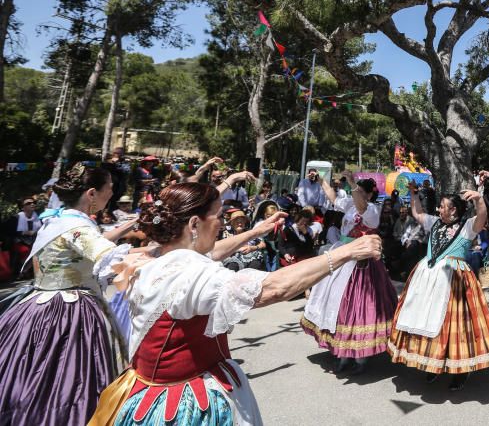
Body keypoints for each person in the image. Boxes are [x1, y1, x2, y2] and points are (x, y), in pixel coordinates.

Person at [88, 181, 381, 425]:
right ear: (193, 223)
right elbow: (274, 288)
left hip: (141, 389)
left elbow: (210, 252)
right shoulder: (192, 274)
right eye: (217, 215)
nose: (222, 222)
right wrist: (345, 253)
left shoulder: (153, 257)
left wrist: (256, 231)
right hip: (179, 403)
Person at [0, 163, 136, 425]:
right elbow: (107, 256)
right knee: (70, 375)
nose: (112, 194)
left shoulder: (57, 220)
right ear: (92, 193)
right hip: (71, 311)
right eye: (109, 188)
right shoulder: (79, 228)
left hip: (36, 304)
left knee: (29, 371)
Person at [387, 188, 489, 391]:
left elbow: (482, 217)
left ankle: (460, 370)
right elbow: (418, 213)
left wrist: (478, 200)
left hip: (454, 281)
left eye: (443, 206)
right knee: (428, 320)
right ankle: (433, 363)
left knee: (456, 327)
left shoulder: (467, 227)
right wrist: (414, 194)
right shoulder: (435, 222)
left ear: (455, 210)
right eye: (440, 206)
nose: (439, 209)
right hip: (428, 278)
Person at [300, 173, 398, 374]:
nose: (357, 194)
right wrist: (321, 181)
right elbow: (333, 197)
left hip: (361, 262)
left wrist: (353, 183)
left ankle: (361, 358)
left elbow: (361, 207)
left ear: (370, 195)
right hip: (342, 255)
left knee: (358, 307)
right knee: (337, 305)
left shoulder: (371, 210)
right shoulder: (350, 205)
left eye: (362, 192)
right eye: (357, 191)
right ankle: (343, 354)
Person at [12, 197, 40, 271]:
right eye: (28, 203)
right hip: (21, 241)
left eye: (33, 203)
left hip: (35, 241)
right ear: (22, 207)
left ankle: (27, 271)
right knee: (24, 250)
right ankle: (22, 271)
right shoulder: (16, 218)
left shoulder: (38, 217)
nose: (32, 204)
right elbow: (10, 232)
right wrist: (25, 232)